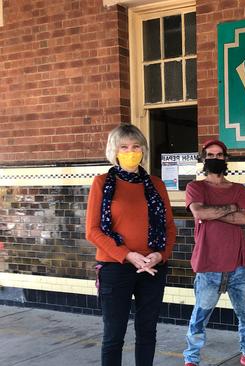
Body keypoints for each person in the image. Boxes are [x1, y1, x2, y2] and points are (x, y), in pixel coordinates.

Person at [86, 123, 177, 366]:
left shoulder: (156, 185)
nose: (130, 151)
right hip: (115, 268)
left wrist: (160, 255)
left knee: (147, 331)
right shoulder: (102, 183)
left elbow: (169, 226)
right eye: (124, 147)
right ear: (114, 151)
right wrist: (128, 255)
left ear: (143, 150)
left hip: (153, 267)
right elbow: (92, 231)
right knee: (114, 336)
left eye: (136, 146)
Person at [183, 138, 245, 366]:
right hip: (208, 264)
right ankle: (191, 359)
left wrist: (214, 212)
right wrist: (230, 208)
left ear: (226, 158)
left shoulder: (238, 189)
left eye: (219, 155)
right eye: (210, 155)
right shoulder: (195, 187)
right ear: (203, 158)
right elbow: (200, 213)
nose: (215, 159)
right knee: (200, 317)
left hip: (238, 265)